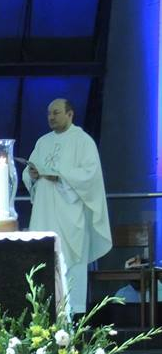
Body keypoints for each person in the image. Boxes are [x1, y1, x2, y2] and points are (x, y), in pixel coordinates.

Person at [21, 98, 111, 313]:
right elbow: (29, 172)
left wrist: (60, 177)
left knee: (71, 261)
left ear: (70, 114)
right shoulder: (43, 142)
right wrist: (32, 174)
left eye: (56, 112)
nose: (51, 117)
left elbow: (90, 176)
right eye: (49, 113)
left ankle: (74, 316)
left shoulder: (83, 141)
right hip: (44, 211)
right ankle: (44, 314)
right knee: (44, 259)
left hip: (71, 215)